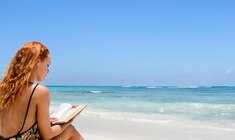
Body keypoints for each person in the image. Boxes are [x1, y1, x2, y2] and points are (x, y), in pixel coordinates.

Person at [0, 42, 84, 140]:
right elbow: (47, 135)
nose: (48, 70)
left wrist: (44, 122)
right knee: (70, 129)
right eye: (47, 65)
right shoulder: (40, 91)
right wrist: (69, 120)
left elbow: (16, 121)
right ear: (37, 62)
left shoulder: (3, 88)